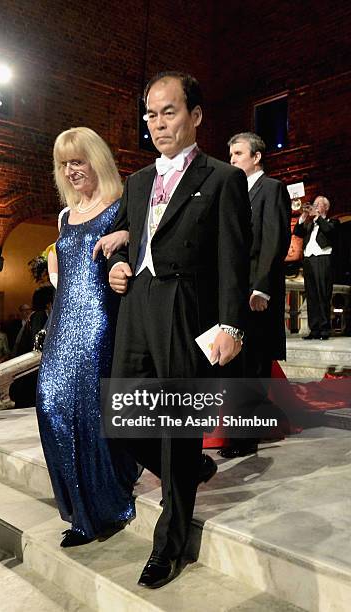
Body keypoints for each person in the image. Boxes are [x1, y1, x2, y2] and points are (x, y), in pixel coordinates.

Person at [108, 71, 252, 588]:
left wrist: (231, 323)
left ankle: (168, 545)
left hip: (184, 307)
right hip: (137, 304)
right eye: (150, 114)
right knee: (119, 419)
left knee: (176, 425)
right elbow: (132, 238)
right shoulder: (137, 181)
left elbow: (235, 260)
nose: (157, 123)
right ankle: (188, 466)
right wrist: (118, 265)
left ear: (195, 115)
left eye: (169, 111)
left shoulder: (221, 178)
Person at [36, 126, 138, 548]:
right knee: (48, 401)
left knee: (90, 409)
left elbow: (142, 248)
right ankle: (78, 507)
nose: (71, 170)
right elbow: (62, 267)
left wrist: (127, 241)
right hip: (63, 319)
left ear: (96, 159)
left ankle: (103, 508)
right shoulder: (65, 214)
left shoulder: (119, 206)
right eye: (64, 164)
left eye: (78, 160)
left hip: (99, 318)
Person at [216, 132, 291, 457]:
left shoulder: (271, 189)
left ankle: (245, 438)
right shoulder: (234, 191)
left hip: (257, 294)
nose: (232, 159)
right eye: (230, 154)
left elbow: (274, 238)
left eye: (238, 154)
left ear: (257, 157)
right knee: (235, 364)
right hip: (234, 293)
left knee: (253, 365)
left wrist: (261, 285)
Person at [294, 195, 340, 339]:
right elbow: (297, 232)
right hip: (308, 260)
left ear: (326, 207)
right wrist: (303, 216)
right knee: (312, 295)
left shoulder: (332, 221)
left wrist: (318, 217)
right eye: (314, 204)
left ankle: (325, 328)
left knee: (323, 294)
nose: (314, 206)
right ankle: (314, 329)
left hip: (323, 260)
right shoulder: (309, 224)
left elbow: (329, 231)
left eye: (318, 204)